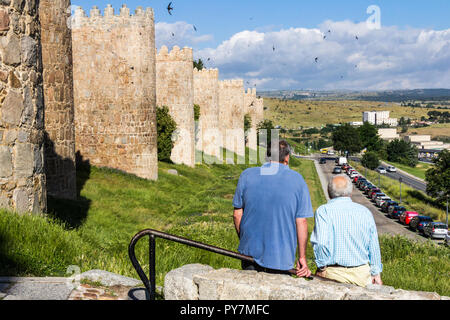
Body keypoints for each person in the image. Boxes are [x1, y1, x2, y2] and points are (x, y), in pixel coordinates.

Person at [233, 140, 314, 277]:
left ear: (267, 156)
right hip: (281, 256)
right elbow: (301, 222)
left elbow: (237, 214)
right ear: (287, 158)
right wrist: (302, 257)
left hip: (249, 251)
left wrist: (245, 238)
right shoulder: (298, 180)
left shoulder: (247, 175)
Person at [308, 174, 383, 287]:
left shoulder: (324, 211)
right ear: (350, 191)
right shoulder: (365, 212)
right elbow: (373, 246)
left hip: (334, 274)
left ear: (329, 192)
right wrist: (376, 273)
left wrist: (321, 267)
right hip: (362, 275)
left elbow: (321, 243)